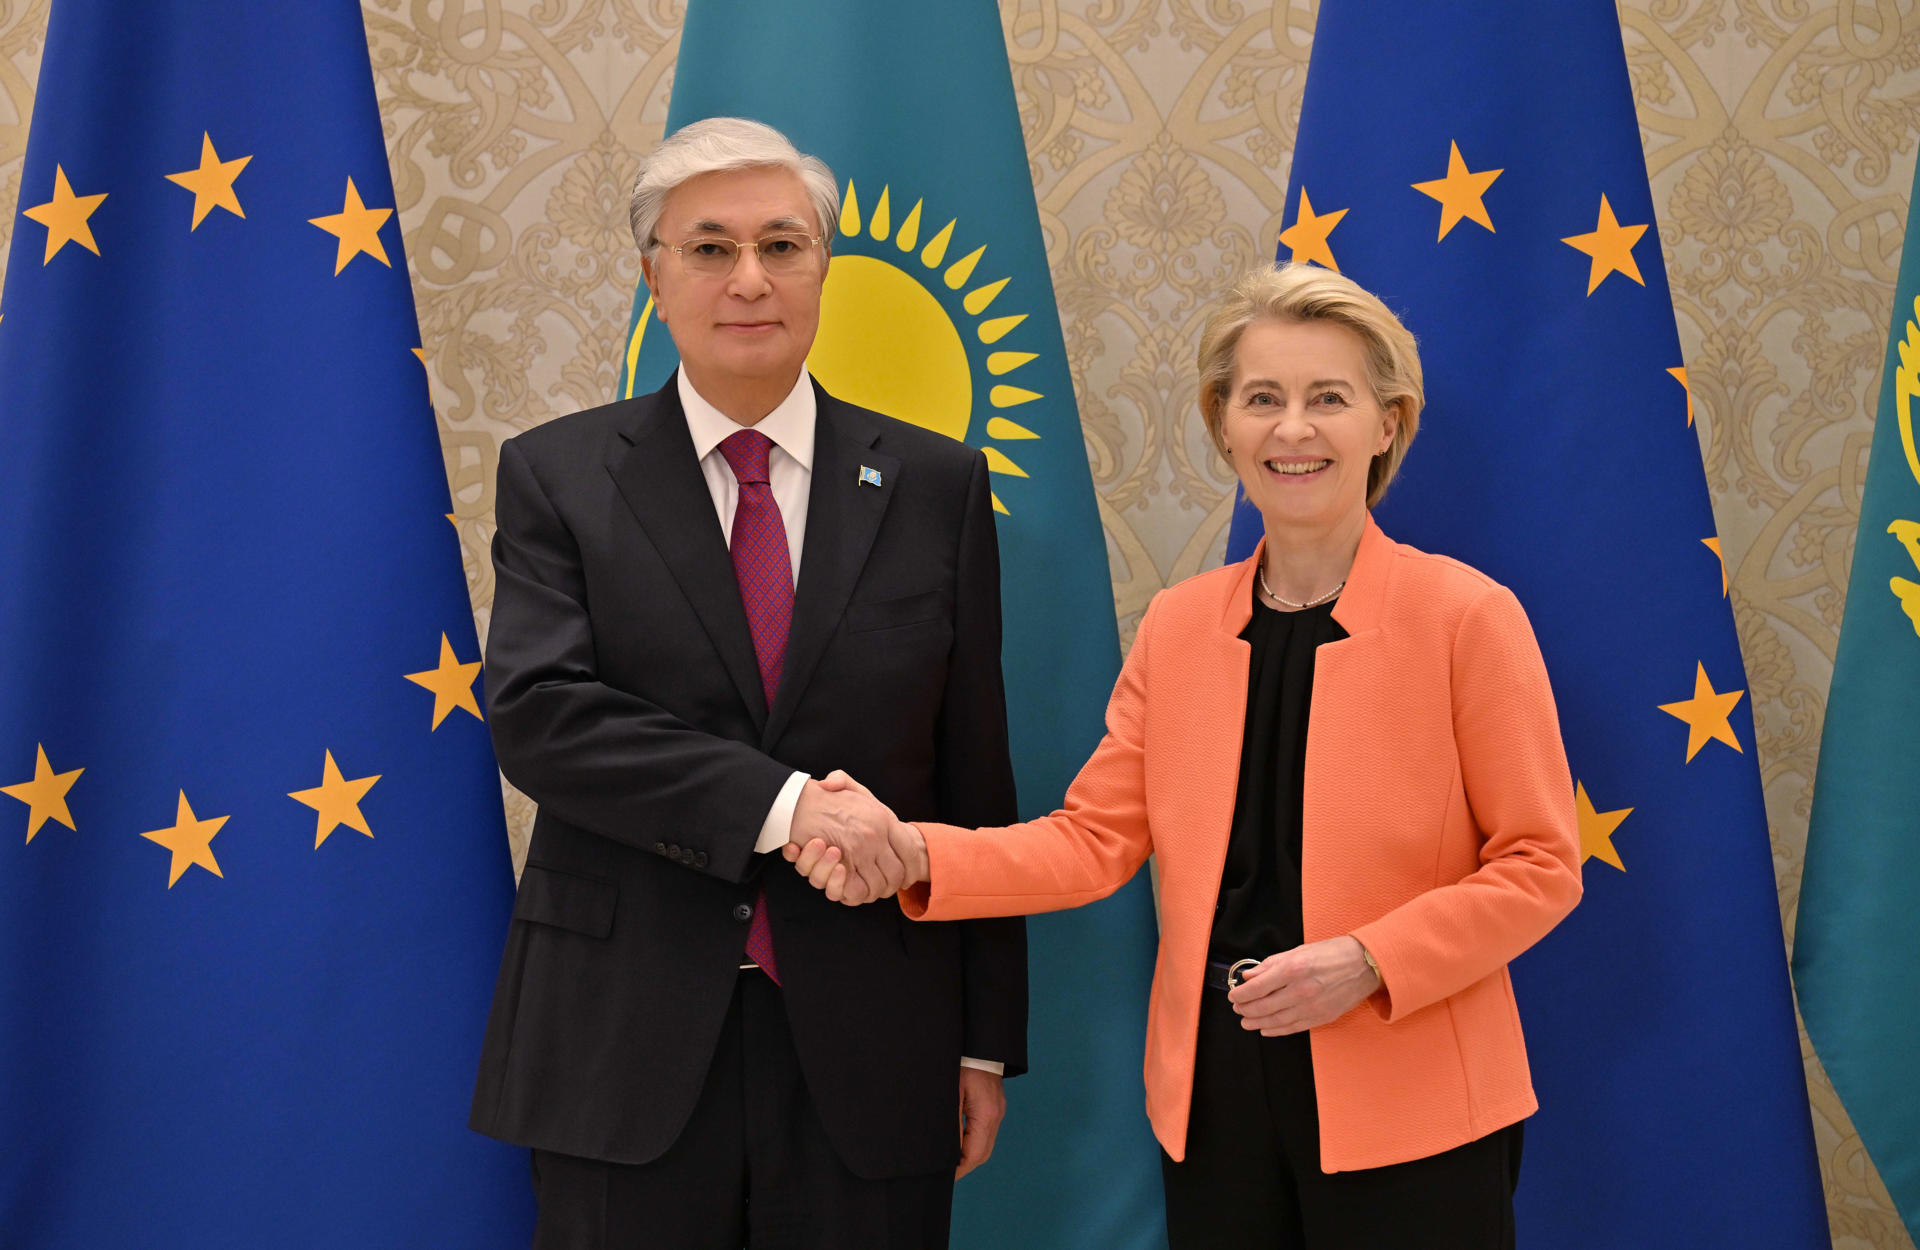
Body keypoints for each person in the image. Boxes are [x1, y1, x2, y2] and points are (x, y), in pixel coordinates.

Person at [793, 263, 1583, 1248]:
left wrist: (1371, 958)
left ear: (1387, 423)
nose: (1292, 429)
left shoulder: (1467, 616)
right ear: (1224, 426)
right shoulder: (1177, 627)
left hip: (1415, 1097)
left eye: (1327, 398)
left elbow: (1542, 865)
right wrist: (916, 852)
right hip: (1214, 1097)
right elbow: (1090, 841)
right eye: (1262, 399)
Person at [469, 116, 1027, 1250]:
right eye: (710, 248)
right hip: (623, 1037)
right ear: (654, 277)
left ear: (826, 269)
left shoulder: (935, 483)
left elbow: (975, 768)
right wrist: (785, 809)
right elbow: (542, 716)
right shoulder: (560, 474)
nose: (750, 278)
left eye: (783, 245)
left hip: (875, 1038)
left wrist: (981, 1036)